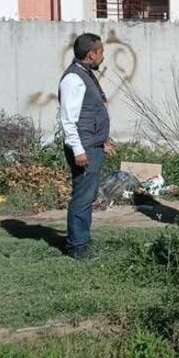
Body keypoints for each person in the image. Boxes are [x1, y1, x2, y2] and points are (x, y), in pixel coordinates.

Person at [58, 33, 115, 260]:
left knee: (87, 195)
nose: (102, 56)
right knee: (83, 196)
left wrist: (102, 142)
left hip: (92, 145)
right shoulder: (73, 79)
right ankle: (78, 246)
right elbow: (68, 119)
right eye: (100, 51)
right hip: (84, 150)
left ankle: (81, 239)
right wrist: (79, 150)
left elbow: (90, 113)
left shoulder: (85, 74)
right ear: (91, 54)